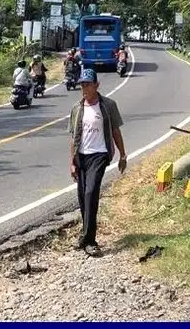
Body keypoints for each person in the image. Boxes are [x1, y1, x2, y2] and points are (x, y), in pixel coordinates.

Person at [68, 68, 127, 257]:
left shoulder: (108, 105)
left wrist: (122, 155)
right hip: (81, 157)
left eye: (88, 84)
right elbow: (74, 138)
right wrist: (72, 162)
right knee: (83, 197)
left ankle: (90, 240)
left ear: (96, 85)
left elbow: (116, 131)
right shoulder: (77, 109)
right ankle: (85, 235)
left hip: (100, 155)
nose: (84, 88)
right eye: (82, 85)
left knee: (91, 193)